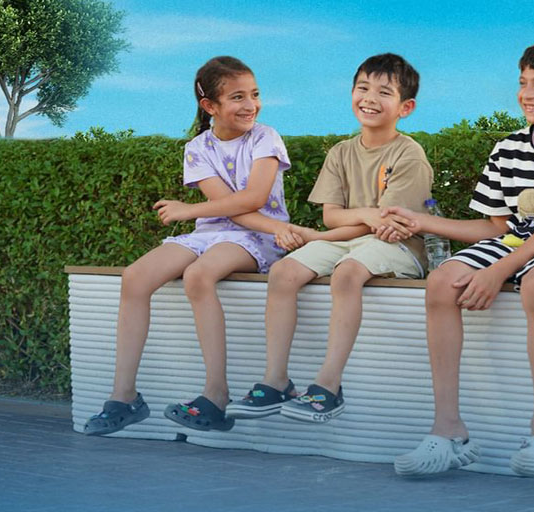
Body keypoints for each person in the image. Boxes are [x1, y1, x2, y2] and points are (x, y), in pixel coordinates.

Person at [382, 39, 534, 479]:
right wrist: (422, 222)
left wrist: (497, 273)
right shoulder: (508, 147)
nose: (527, 93)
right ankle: (448, 431)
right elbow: (497, 229)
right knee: (442, 282)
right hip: (517, 243)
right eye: (523, 82)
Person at [84, 56, 304, 436]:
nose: (251, 105)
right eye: (237, 97)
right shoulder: (197, 148)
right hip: (213, 231)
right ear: (209, 106)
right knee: (135, 277)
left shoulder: (265, 137)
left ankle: (215, 396)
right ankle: (124, 398)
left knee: (199, 275)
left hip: (259, 236)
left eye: (254, 94)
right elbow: (228, 207)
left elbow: (252, 200)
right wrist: (198, 215)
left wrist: (189, 210)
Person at [230, 53, 433, 423]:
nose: (369, 98)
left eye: (384, 92)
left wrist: (322, 234)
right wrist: (359, 216)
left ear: (406, 107)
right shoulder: (341, 152)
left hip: (398, 246)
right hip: (344, 239)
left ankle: (328, 385)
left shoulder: (409, 154)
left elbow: (387, 225)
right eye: (363, 88)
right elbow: (333, 215)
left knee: (347, 272)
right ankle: (276, 381)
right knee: (283, 273)